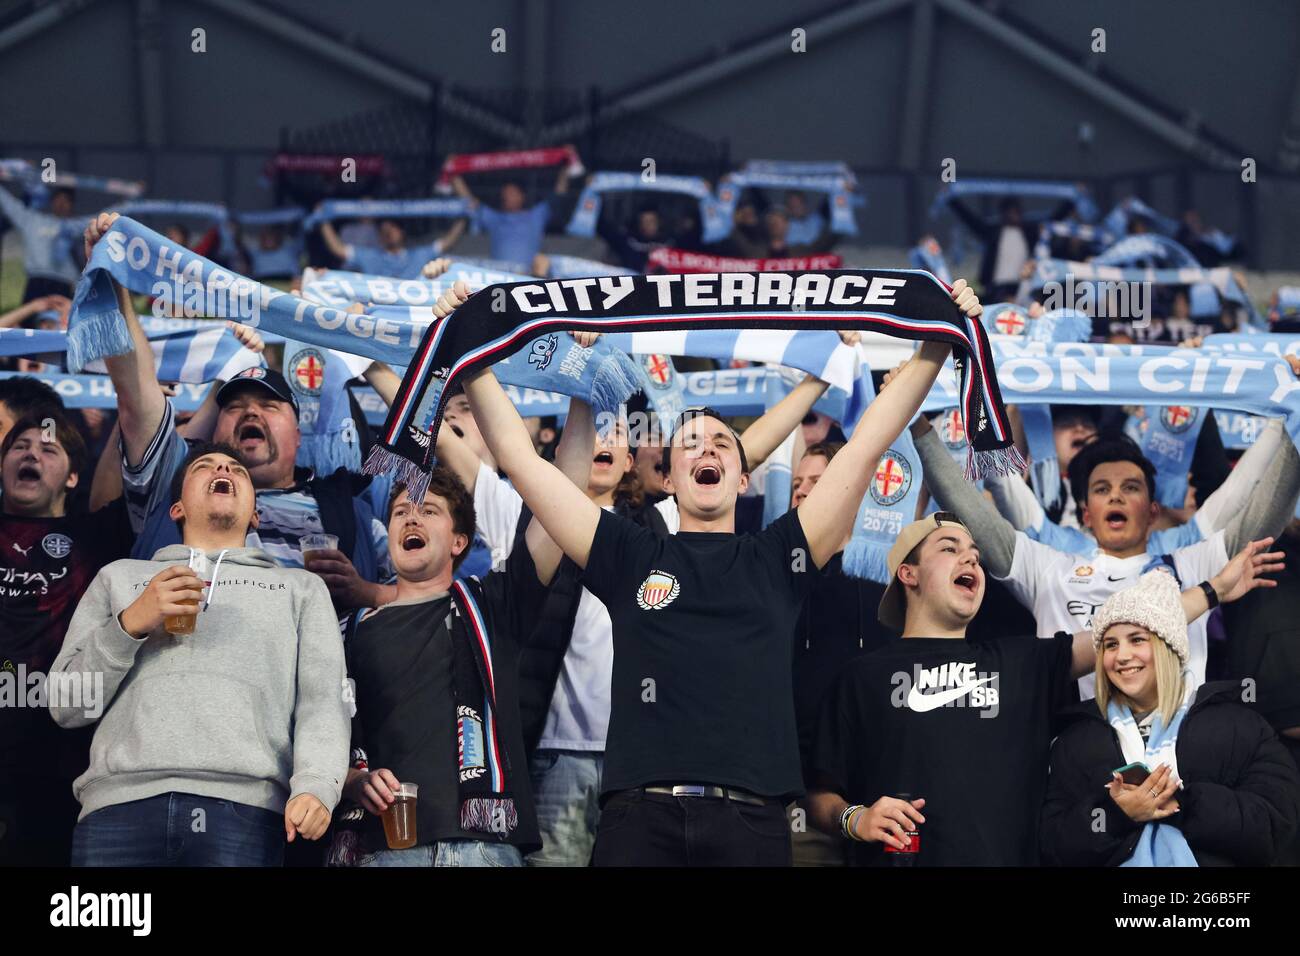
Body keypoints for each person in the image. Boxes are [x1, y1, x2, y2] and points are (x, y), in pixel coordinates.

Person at [432, 276, 984, 866]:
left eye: (723, 443)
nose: (708, 450)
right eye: (689, 443)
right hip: (638, 821)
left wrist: (938, 336)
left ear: (743, 477)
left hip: (751, 822)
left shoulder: (780, 557)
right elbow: (519, 459)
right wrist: (470, 351)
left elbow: (866, 444)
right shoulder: (628, 552)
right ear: (667, 480)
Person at [804, 514, 1279, 866]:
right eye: (950, 548)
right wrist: (856, 819)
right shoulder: (860, 677)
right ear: (908, 575)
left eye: (975, 553)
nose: (971, 557)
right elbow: (819, 797)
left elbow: (1127, 630)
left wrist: (1214, 589)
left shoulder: (1021, 661)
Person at [49, 442, 350, 866]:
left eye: (236, 469)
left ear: (255, 515)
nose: (223, 469)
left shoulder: (300, 589)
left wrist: (317, 785)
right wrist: (130, 623)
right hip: (116, 810)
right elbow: (66, 704)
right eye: (205, 466)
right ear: (176, 508)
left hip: (246, 810)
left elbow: (322, 701)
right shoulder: (118, 577)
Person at [84, 211, 395, 611]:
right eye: (235, 406)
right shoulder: (175, 485)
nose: (252, 413)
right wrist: (111, 277)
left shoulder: (355, 511)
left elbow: (424, 596)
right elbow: (137, 394)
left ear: (299, 435)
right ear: (214, 435)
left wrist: (365, 594)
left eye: (269, 405)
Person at [912, 415, 1300, 695]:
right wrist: (920, 429)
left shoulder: (1192, 563)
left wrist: (1293, 413)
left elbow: (1263, 513)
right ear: (1085, 514)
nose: (1115, 495)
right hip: (1075, 756)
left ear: (1152, 511)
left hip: (1179, 759)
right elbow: (972, 511)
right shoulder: (1047, 568)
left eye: (1130, 487)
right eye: (1101, 489)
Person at [334, 467, 563, 867]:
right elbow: (319, 727)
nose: (412, 518)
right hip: (385, 849)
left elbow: (557, 509)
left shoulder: (493, 605)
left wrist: (580, 407)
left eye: (429, 510)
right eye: (401, 511)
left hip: (483, 847)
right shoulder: (348, 631)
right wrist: (352, 780)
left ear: (459, 541)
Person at [1040, 570, 1300, 866]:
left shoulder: (1239, 722)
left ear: (1168, 647)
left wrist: (1183, 804)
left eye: (1137, 639)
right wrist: (1115, 815)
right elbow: (1053, 844)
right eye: (1111, 645)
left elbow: (1275, 823)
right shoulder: (1076, 739)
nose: (1122, 655)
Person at [0, 413, 135, 866]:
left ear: (74, 476)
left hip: (57, 758)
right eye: (19, 446)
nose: (31, 453)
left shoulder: (96, 536)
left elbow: (136, 442)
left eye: (48, 448)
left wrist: (129, 413)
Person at [947, 195, 1075, 301]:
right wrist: (951, 200)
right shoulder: (994, 232)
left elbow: (1053, 220)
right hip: (996, 288)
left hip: (1022, 287)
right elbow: (970, 220)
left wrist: (1072, 200)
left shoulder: (1030, 232)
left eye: (1014, 212)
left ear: (1019, 213)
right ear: (1003, 214)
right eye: (1008, 212)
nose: (1011, 215)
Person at [452, 166, 571, 267]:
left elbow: (559, 194)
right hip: (500, 280)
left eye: (512, 193)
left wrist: (566, 165)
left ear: (522, 196)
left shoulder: (536, 215)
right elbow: (469, 202)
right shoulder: (494, 218)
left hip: (529, 279)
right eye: (505, 194)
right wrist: (453, 171)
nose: (507, 197)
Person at [0, 184, 81, 301]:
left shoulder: (75, 226)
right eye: (59, 199)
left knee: (59, 319)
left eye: (66, 200)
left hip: (63, 283)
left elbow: (102, 217)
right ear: (52, 201)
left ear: (71, 206)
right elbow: (9, 204)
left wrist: (118, 207)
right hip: (36, 282)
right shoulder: (32, 220)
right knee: (28, 317)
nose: (61, 204)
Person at [319, 215, 465, 279]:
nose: (388, 233)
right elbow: (337, 248)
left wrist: (464, 216)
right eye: (383, 230)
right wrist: (323, 220)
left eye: (392, 228)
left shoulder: (419, 255)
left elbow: (448, 242)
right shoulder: (370, 256)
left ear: (402, 231)